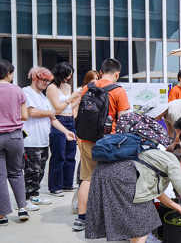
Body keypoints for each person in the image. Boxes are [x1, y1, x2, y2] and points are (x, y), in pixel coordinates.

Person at [85, 147, 181, 242]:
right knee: (144, 223)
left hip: (109, 174)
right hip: (120, 177)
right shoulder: (173, 162)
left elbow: (159, 195)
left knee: (142, 222)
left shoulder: (165, 163)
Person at [74, 58, 131, 231]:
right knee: (111, 179)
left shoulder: (87, 88)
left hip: (85, 139)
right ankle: (109, 218)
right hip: (108, 141)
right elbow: (123, 120)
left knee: (87, 178)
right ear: (117, 74)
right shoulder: (118, 90)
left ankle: (81, 219)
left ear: (100, 72)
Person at [22, 67, 77, 205]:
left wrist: (66, 131)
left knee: (40, 171)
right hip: (30, 140)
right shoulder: (25, 92)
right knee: (31, 172)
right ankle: (24, 200)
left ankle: (34, 195)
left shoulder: (43, 97)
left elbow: (53, 118)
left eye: (48, 81)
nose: (46, 84)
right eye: (44, 81)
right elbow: (32, 112)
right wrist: (49, 113)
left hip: (43, 140)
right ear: (35, 78)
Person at [0, 59, 30, 225]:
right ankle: (22, 209)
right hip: (14, 136)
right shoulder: (17, 90)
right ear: (7, 74)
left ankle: (2, 215)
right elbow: (24, 116)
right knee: (17, 173)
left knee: (0, 176)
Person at [45, 62, 80, 198]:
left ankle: (67, 184)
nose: (69, 77)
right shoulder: (52, 87)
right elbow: (58, 108)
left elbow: (69, 106)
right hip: (58, 120)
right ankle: (55, 187)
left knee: (71, 155)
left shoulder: (68, 86)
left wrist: (78, 98)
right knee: (58, 155)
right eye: (68, 74)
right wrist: (71, 98)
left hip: (70, 120)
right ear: (62, 73)